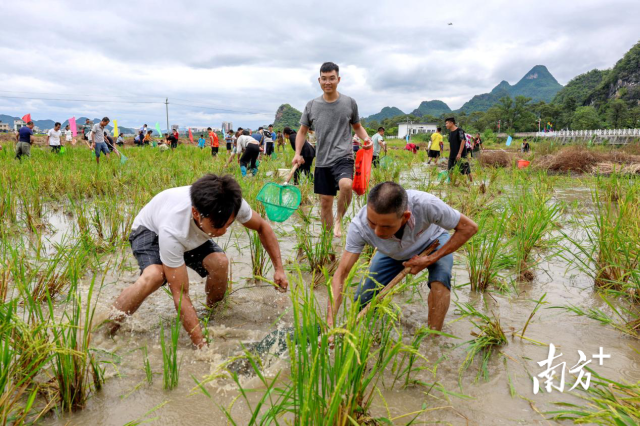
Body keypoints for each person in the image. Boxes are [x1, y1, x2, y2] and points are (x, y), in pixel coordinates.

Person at [108, 174, 289, 348]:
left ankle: (212, 316)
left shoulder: (230, 203)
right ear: (196, 213)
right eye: (218, 226)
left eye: (229, 224)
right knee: (155, 275)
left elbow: (263, 227)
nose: (224, 232)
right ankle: (107, 327)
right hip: (150, 230)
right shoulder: (173, 229)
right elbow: (180, 294)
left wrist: (279, 269)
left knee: (220, 262)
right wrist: (202, 346)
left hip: (191, 232)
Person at [326, 182, 478, 332]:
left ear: (405, 217)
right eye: (372, 223)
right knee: (362, 301)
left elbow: (469, 227)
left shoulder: (426, 205)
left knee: (441, 278)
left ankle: (433, 337)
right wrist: (330, 324)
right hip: (392, 253)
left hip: (433, 241)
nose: (377, 232)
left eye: (386, 226)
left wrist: (430, 259)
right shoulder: (359, 227)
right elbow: (342, 274)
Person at [292, 62, 372, 238]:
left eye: (332, 78)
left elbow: (357, 126)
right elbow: (302, 132)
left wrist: (366, 139)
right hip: (322, 160)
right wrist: (297, 153)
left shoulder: (349, 103)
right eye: (324, 79)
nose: (328, 82)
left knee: (346, 184)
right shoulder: (311, 105)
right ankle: (328, 241)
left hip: (343, 155)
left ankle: (339, 220)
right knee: (325, 203)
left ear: (338, 79)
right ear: (319, 80)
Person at [445, 117, 472, 183]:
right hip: (452, 155)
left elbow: (463, 140)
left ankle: (471, 183)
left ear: (452, 123)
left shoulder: (459, 130)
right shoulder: (450, 133)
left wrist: (459, 153)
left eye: (447, 123)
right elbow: (451, 145)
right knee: (450, 170)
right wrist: (449, 155)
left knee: (466, 170)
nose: (446, 125)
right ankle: (452, 184)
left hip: (461, 155)